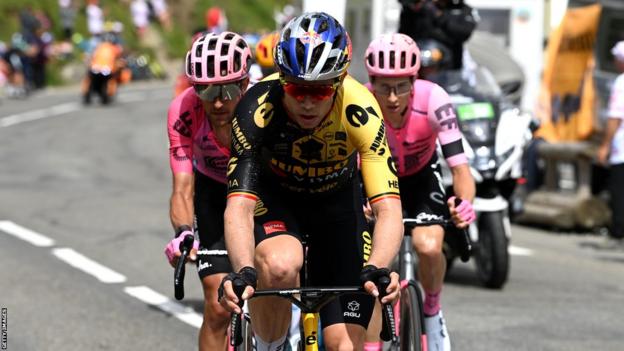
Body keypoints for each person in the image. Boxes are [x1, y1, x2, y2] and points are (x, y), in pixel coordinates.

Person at [218, 12, 403, 351]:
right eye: (295, 88)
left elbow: (389, 209)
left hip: (338, 206)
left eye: (319, 92)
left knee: (343, 346)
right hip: (278, 201)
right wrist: (244, 271)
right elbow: (239, 207)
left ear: (340, 80)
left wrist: (379, 265)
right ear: (281, 79)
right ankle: (271, 346)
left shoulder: (361, 109)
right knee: (278, 265)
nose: (305, 101)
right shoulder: (256, 109)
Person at [364, 33, 476, 351]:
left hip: (421, 178)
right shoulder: (362, 102)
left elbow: (460, 170)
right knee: (377, 266)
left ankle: (432, 310)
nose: (394, 96)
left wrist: (465, 204)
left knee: (428, 246)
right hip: (375, 180)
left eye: (402, 85)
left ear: (415, 79)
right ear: (372, 81)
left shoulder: (435, 99)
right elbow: (349, 165)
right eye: (384, 86)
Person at [164, 31, 252, 351]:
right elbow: (183, 188)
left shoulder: (263, 108)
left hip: (263, 193)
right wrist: (184, 232)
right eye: (205, 90)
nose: (216, 102)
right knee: (217, 305)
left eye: (227, 89)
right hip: (213, 193)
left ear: (244, 83)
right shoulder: (183, 111)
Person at [597, 41, 624, 246]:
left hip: (621, 149)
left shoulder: (621, 82)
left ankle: (618, 232)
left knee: (619, 192)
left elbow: (615, 117)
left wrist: (605, 145)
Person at [398, 0, 477, 70]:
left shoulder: (462, 9)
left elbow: (463, 32)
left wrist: (439, 15)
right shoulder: (422, 7)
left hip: (449, 68)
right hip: (418, 66)